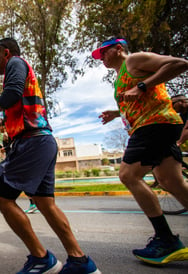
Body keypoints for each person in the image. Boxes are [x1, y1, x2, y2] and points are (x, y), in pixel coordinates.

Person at [0, 37, 100, 274]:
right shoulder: (21, 68)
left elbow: (12, 93)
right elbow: (20, 109)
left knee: (3, 199)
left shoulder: (15, 62)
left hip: (32, 143)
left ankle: (41, 259)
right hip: (42, 141)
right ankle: (80, 262)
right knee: (46, 204)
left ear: (5, 53)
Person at [94, 36, 188, 265]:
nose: (102, 58)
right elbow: (135, 98)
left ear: (118, 49)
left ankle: (165, 239)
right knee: (171, 181)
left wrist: (143, 85)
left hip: (153, 123)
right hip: (154, 125)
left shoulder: (133, 60)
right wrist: (115, 113)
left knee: (128, 174)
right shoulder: (120, 76)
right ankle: (166, 240)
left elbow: (179, 63)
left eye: (104, 52)